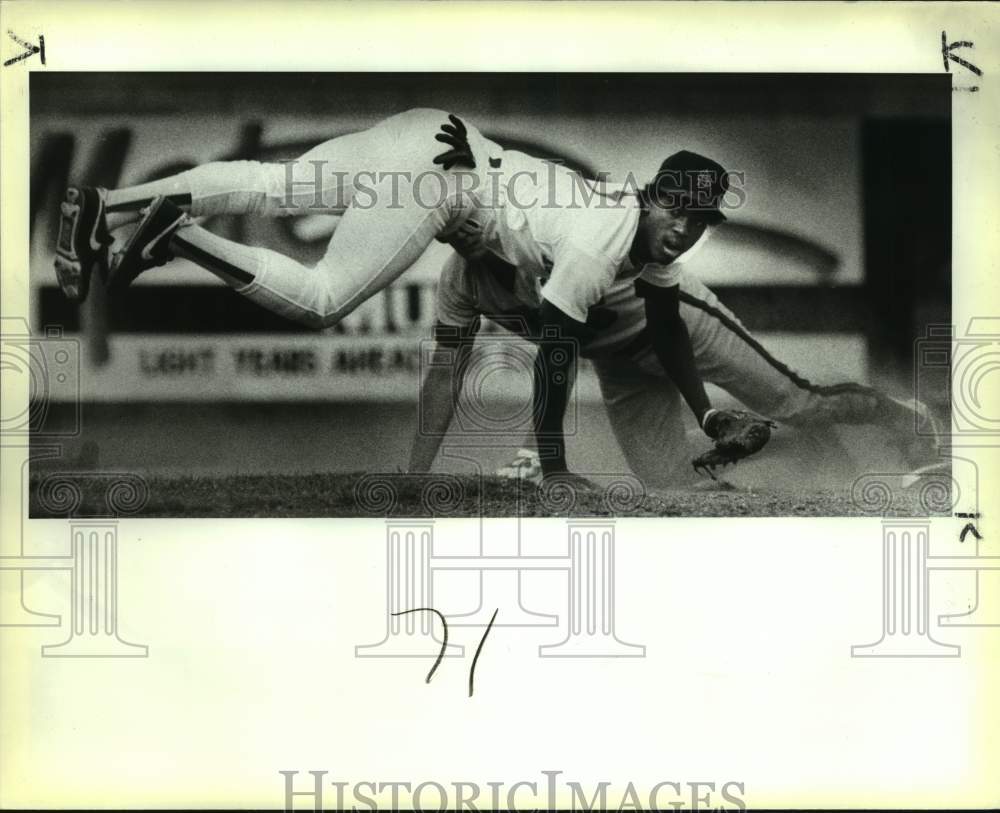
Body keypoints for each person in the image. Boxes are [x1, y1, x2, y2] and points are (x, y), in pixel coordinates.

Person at [54, 107, 737, 484]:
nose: (686, 229)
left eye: (699, 221)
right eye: (678, 211)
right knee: (324, 298)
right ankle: (179, 237)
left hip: (428, 130)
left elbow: (665, 322)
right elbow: (558, 346)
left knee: (268, 183)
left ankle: (107, 204)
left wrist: (706, 413)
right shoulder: (599, 243)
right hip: (440, 174)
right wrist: (554, 466)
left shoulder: (627, 232)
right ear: (653, 198)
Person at [408, 244, 941, 486]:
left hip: (677, 323)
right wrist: (415, 477)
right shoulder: (457, 280)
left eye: (474, 214)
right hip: (617, 358)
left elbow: (557, 355)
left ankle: (908, 419)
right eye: (451, 223)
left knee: (800, 402)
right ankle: (792, 441)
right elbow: (444, 373)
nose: (465, 228)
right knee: (664, 477)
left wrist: (534, 453)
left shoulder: (546, 248)